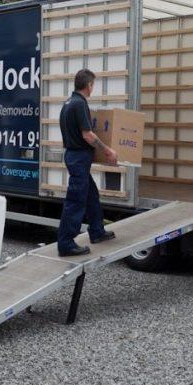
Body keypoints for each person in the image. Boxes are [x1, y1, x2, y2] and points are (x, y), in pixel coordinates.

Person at [57, 69, 118, 256]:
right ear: (89, 85)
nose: (93, 88)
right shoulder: (79, 104)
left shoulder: (68, 103)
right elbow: (87, 134)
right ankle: (66, 243)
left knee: (91, 195)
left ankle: (97, 231)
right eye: (93, 85)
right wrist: (107, 150)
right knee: (76, 200)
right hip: (78, 157)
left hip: (74, 156)